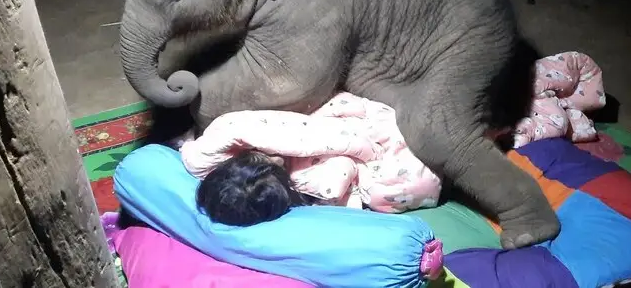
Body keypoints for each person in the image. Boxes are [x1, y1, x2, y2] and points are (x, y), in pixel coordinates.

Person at [182, 92, 443, 226]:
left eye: (261, 160)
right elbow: (337, 179)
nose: (276, 160)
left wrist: (363, 148)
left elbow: (304, 135)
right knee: (392, 190)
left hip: (338, 133)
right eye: (275, 168)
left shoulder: (211, 154)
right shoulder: (300, 186)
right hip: (348, 166)